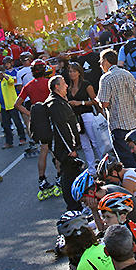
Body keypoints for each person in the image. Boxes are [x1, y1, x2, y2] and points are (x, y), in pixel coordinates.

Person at [39, 75, 84, 211]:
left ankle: (76, 204)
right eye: (64, 83)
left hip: (65, 147)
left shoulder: (58, 101)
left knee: (72, 175)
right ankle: (73, 206)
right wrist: (71, 149)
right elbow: (62, 128)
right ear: (56, 87)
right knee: (69, 177)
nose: (67, 86)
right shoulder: (55, 104)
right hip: (64, 149)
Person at [16, 59, 56, 195]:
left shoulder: (28, 86)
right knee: (56, 148)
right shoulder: (50, 83)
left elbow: (17, 104)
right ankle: (60, 176)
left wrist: (31, 114)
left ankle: (42, 179)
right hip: (52, 117)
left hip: (39, 121)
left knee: (44, 149)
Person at [97, 49, 136, 168]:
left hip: (118, 125)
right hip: (134, 123)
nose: (100, 64)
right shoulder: (128, 74)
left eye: (101, 61)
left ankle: (133, 179)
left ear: (106, 61)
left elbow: (104, 103)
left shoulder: (106, 78)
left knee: (126, 161)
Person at [99, 193, 136, 265]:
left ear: (122, 217)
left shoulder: (125, 234)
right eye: (103, 217)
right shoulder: (128, 226)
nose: (104, 221)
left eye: (108, 217)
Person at [67, 62, 102, 174]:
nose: (72, 74)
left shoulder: (86, 84)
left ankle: (104, 165)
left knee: (95, 142)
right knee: (85, 145)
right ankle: (92, 168)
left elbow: (95, 100)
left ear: (79, 72)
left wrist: (80, 103)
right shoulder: (68, 87)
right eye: (70, 71)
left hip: (87, 115)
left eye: (74, 71)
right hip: (76, 119)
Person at [0, 66, 26, 148]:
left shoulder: (8, 78)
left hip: (12, 105)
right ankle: (9, 142)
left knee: (17, 123)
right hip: (4, 107)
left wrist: (5, 76)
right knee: (6, 125)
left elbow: (11, 82)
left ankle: (22, 138)